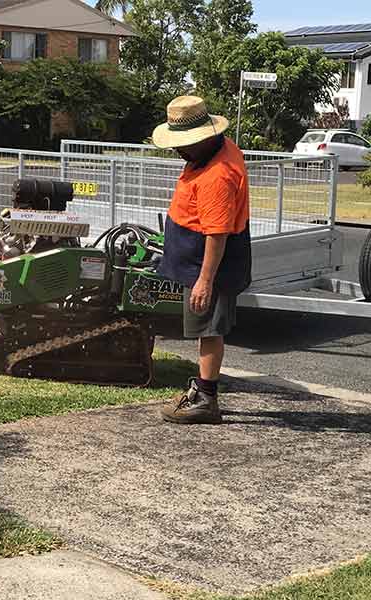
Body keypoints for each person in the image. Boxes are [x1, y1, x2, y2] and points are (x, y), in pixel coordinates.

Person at [152, 95, 252, 424]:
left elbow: (217, 232)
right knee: (204, 328)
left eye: (184, 144)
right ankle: (202, 391)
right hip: (197, 260)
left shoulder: (217, 176)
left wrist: (205, 280)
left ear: (203, 138)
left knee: (208, 329)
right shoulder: (216, 150)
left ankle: (206, 398)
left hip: (208, 264)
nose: (179, 150)